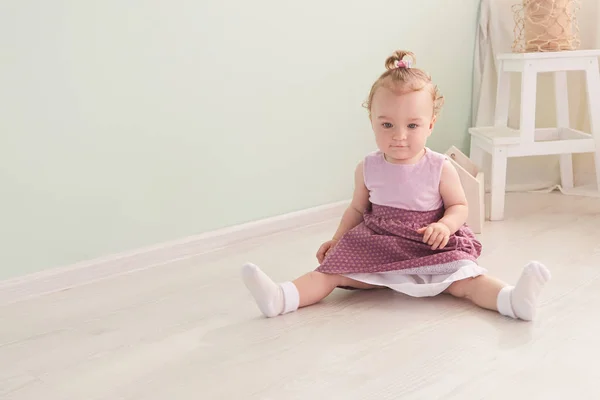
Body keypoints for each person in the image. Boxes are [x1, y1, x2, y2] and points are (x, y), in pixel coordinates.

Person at [241, 50, 551, 321]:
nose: (399, 135)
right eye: (387, 124)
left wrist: (445, 225)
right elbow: (357, 210)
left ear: (430, 125)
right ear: (372, 122)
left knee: (466, 279)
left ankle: (512, 301)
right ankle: (281, 298)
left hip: (428, 244)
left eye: (412, 125)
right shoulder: (368, 167)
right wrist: (337, 239)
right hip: (380, 242)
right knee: (330, 273)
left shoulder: (439, 166)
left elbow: (459, 206)